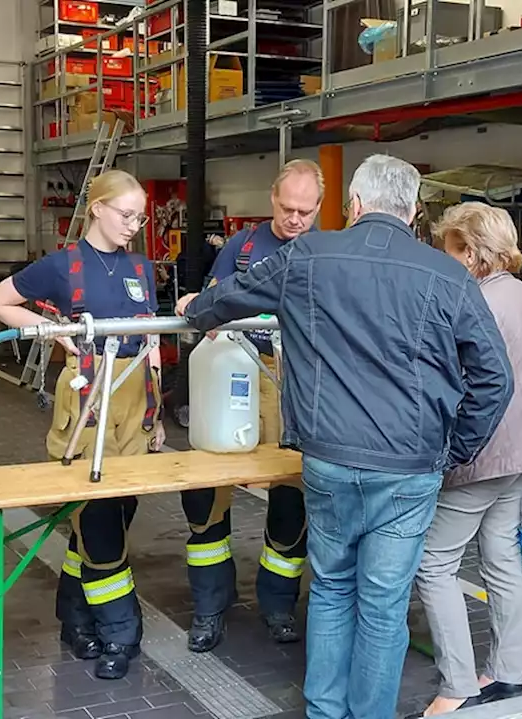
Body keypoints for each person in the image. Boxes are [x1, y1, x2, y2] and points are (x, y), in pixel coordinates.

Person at [175, 154, 514, 719]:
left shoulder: (307, 254)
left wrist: (195, 308)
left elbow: (225, 299)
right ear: (412, 212)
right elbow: (495, 377)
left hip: (329, 459)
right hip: (409, 466)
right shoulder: (447, 274)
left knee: (331, 589)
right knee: (383, 605)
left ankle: (324, 712)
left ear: (353, 205)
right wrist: (455, 448)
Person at [0, 169, 164, 681]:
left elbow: (150, 339)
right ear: (98, 208)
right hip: (88, 403)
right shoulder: (61, 268)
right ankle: (120, 634)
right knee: (100, 521)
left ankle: (74, 617)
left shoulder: (140, 268)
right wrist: (51, 332)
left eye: (140, 217)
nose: (134, 225)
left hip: (134, 402)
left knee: (113, 515)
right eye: (126, 214)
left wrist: (157, 416)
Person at [410, 202, 522, 717]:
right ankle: (508, 671)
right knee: (501, 559)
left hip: (476, 458)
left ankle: (457, 682)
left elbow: (449, 387)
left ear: (471, 250)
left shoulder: (469, 307)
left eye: (449, 248)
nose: (445, 258)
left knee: (433, 564)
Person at [179, 158, 324, 653]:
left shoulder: (325, 253)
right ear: (272, 200)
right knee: (208, 493)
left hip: (296, 384)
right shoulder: (242, 248)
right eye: (287, 208)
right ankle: (209, 608)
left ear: (320, 209)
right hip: (235, 372)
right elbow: (214, 298)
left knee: (291, 492)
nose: (295, 219)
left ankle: (279, 605)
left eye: (306, 211)